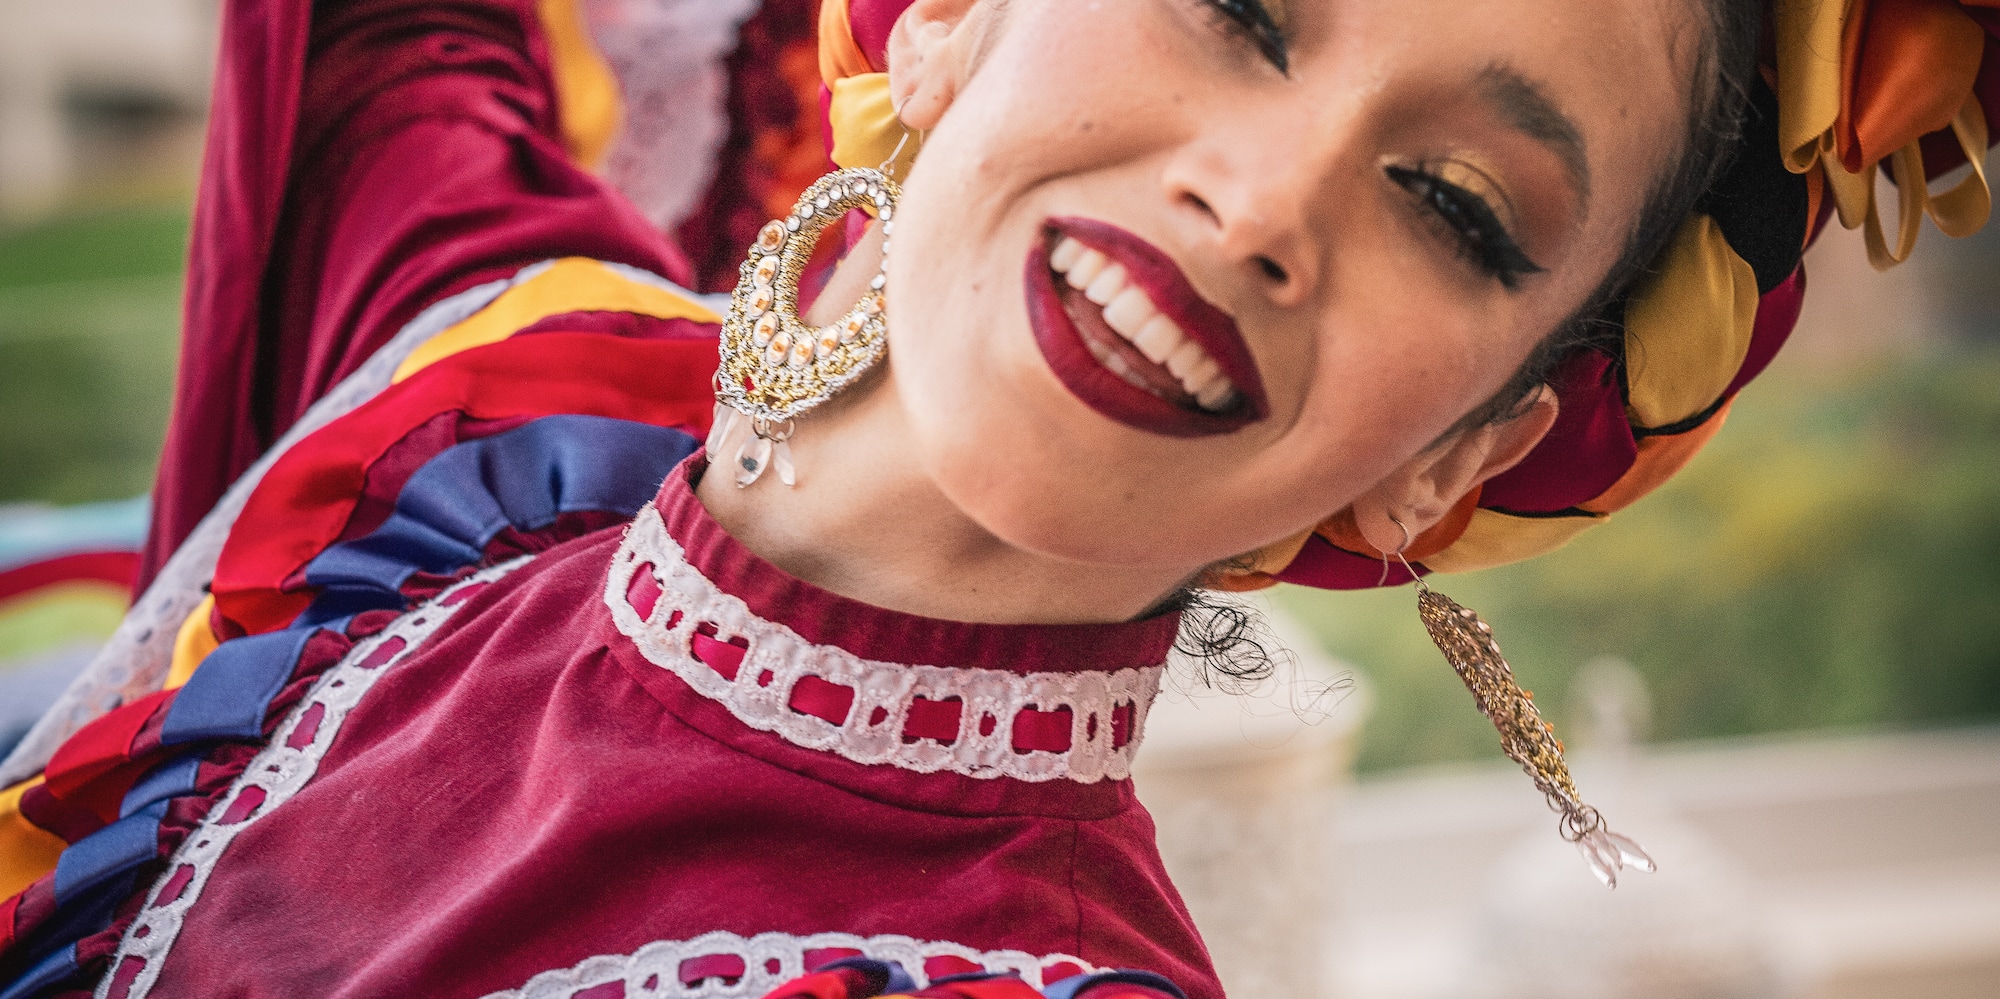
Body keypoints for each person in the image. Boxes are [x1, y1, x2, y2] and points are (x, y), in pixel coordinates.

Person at [0, 0, 1993, 996]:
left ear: (1463, 450)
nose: (1261, 201)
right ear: (950, 14)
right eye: (1235, 4)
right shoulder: (498, 403)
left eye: (1459, 207)